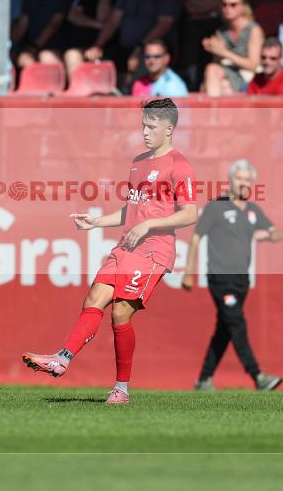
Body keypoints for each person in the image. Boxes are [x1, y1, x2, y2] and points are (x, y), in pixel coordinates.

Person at [22, 98, 198, 404]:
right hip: (127, 245)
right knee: (94, 297)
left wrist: (149, 225)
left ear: (169, 129)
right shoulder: (138, 162)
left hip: (153, 250)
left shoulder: (179, 166)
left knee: (119, 312)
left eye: (152, 126)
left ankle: (122, 389)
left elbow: (189, 214)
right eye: (143, 125)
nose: (145, 131)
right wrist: (96, 222)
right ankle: (62, 358)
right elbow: (132, 209)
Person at [182, 159, 283, 392]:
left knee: (225, 329)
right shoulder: (216, 207)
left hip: (241, 280)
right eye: (240, 178)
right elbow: (196, 237)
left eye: (248, 180)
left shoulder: (252, 211)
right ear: (230, 180)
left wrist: (265, 235)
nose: (244, 183)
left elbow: (276, 233)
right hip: (220, 277)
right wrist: (189, 271)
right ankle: (258, 376)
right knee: (237, 323)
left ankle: (204, 379)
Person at [85, 0, 179, 91]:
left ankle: (129, 101)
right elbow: (113, 21)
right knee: (97, 63)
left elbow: (163, 25)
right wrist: (98, 45)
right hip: (125, 48)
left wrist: (140, 48)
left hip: (151, 50)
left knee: (135, 73)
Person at [63, 0, 123, 76]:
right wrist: (96, 24)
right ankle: (79, 95)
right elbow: (72, 15)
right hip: (82, 43)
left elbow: (104, 18)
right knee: (72, 55)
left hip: (108, 46)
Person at [12, 0, 75, 68]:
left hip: (56, 48)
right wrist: (10, 45)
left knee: (42, 57)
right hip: (31, 45)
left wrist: (34, 47)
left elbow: (54, 24)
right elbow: (23, 23)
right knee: (18, 57)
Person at [203, 0, 265, 96]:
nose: (228, 8)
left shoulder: (253, 30)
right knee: (216, 76)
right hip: (227, 77)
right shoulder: (221, 31)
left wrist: (224, 52)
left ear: (243, 7)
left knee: (215, 75)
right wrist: (213, 49)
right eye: (224, 5)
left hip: (250, 78)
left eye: (233, 5)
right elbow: (219, 64)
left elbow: (253, 65)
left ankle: (213, 111)